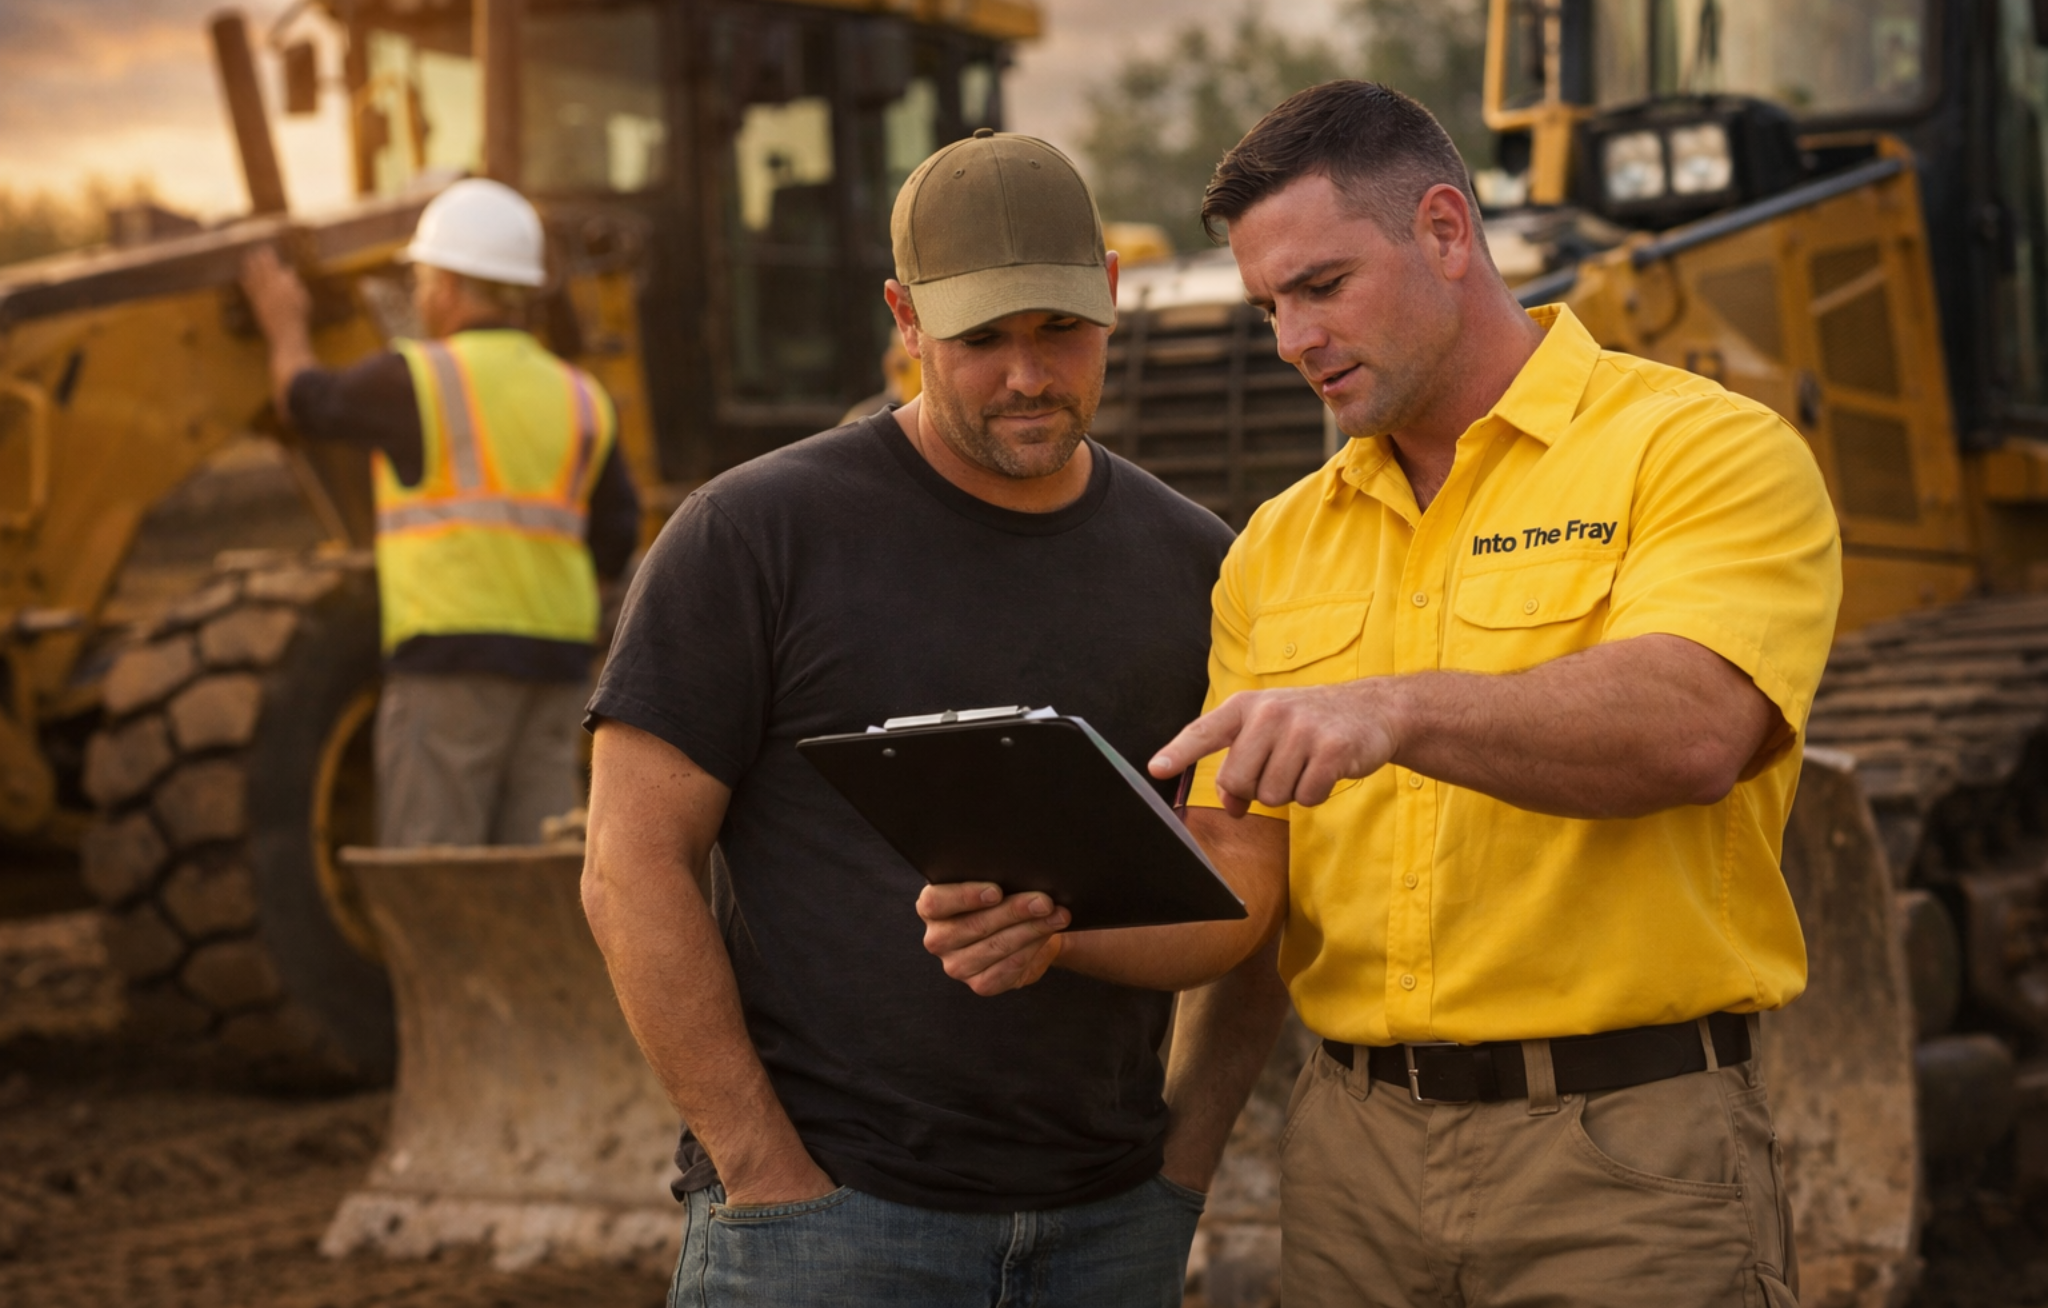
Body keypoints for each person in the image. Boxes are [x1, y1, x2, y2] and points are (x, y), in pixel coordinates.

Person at [918, 81, 1841, 1307]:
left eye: (1320, 287)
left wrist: (1387, 711)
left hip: (1626, 1159)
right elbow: (1238, 898)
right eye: (1267, 306)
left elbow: (1694, 728)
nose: (1292, 339)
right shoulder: (1276, 545)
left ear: (1446, 233)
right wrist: (1052, 927)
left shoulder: (1700, 451)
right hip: (1349, 1162)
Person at [579, 129, 1290, 1307]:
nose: (1025, 375)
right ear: (904, 321)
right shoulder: (751, 537)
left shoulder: (1197, 566)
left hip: (1108, 1230)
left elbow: (1250, 888)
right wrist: (764, 1176)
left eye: (1058, 329)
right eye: (980, 340)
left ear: (1110, 293)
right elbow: (629, 865)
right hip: (829, 1230)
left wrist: (1182, 1165)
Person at [239, 177, 639, 848]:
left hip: (450, 664)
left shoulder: (415, 379)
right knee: (540, 871)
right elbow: (615, 535)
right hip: (559, 668)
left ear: (450, 289)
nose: (420, 298)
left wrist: (284, 324)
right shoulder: (581, 395)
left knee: (433, 869)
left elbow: (304, 400)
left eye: (423, 281)